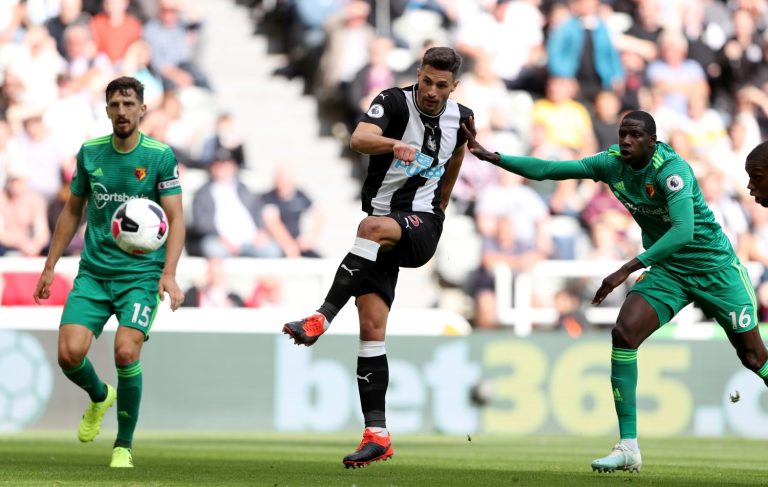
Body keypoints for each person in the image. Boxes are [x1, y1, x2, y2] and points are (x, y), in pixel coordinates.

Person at [463, 110, 768, 473]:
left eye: (635, 135)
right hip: (670, 271)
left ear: (653, 141)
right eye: (623, 133)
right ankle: (628, 447)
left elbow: (684, 231)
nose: (625, 141)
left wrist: (627, 268)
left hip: (715, 270)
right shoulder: (611, 164)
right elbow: (548, 169)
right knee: (624, 332)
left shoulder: (672, 171)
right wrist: (494, 157)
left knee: (753, 357)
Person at [282, 46, 473, 468]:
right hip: (384, 228)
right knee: (371, 330)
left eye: (442, 85)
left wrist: (441, 205)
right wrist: (394, 145)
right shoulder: (392, 101)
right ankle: (377, 435)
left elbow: (458, 153)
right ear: (418, 74)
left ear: (453, 86)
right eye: (427, 81)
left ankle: (321, 318)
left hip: (421, 223)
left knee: (368, 228)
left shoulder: (462, 117)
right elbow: (358, 139)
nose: (432, 91)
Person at [32, 76, 185, 469]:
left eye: (129, 104)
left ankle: (123, 445)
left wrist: (168, 273)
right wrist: (49, 266)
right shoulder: (90, 153)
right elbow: (72, 211)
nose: (122, 111)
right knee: (69, 355)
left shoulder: (159, 156)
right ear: (106, 110)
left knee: (126, 350)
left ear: (142, 109)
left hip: (141, 275)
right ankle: (101, 396)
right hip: (94, 274)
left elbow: (175, 217)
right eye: (115, 105)